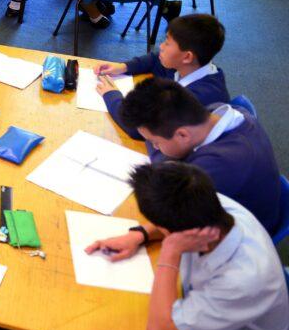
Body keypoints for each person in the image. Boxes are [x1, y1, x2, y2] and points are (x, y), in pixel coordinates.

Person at [0, 163, 288, 330]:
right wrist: (138, 235)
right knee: (87, 311)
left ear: (182, 233)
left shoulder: (244, 279)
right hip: (195, 322)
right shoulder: (213, 206)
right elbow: (168, 225)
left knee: (90, 328)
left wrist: (171, 254)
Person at [118, 78, 282, 234]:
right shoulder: (220, 111)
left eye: (155, 142)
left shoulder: (216, 166)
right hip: (237, 209)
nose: (154, 147)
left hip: (241, 239)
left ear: (182, 135)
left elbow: (169, 189)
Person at [96, 14, 229, 139]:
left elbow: (138, 128)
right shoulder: (189, 67)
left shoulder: (198, 97)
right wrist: (123, 67)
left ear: (187, 56)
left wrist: (111, 94)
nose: (161, 46)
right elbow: (155, 60)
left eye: (167, 43)